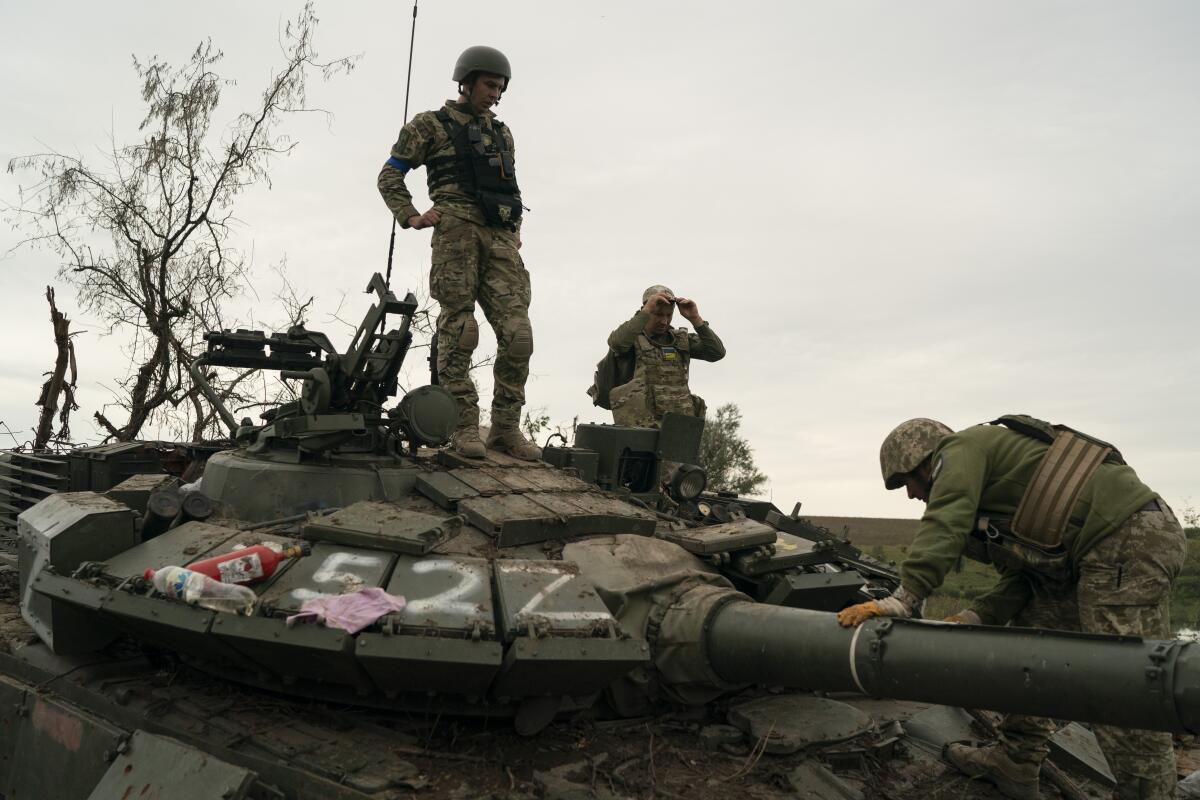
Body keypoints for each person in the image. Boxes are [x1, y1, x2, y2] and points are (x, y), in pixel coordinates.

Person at [837, 416, 1186, 800]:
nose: (910, 496)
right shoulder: (992, 492)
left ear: (922, 461)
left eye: (907, 482)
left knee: (1125, 679)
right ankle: (1016, 762)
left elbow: (945, 520)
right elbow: (1024, 578)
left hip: (1126, 538)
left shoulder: (961, 449)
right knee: (1032, 644)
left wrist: (904, 597)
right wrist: (977, 615)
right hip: (1089, 555)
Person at [377, 45, 538, 460]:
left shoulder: (501, 132)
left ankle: (505, 428)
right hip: (456, 234)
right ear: (466, 82)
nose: (495, 94)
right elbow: (390, 174)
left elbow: (511, 188)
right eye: (489, 84)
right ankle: (464, 426)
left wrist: (515, 228)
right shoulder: (430, 125)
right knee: (461, 329)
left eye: (501, 88)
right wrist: (411, 214)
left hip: (500, 237)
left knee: (519, 336)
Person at [602, 285, 726, 428]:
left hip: (676, 427)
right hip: (639, 427)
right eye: (658, 314)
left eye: (669, 315)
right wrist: (646, 311)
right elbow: (616, 343)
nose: (664, 321)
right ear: (645, 310)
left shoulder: (680, 340)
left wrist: (695, 318)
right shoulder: (631, 339)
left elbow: (717, 352)